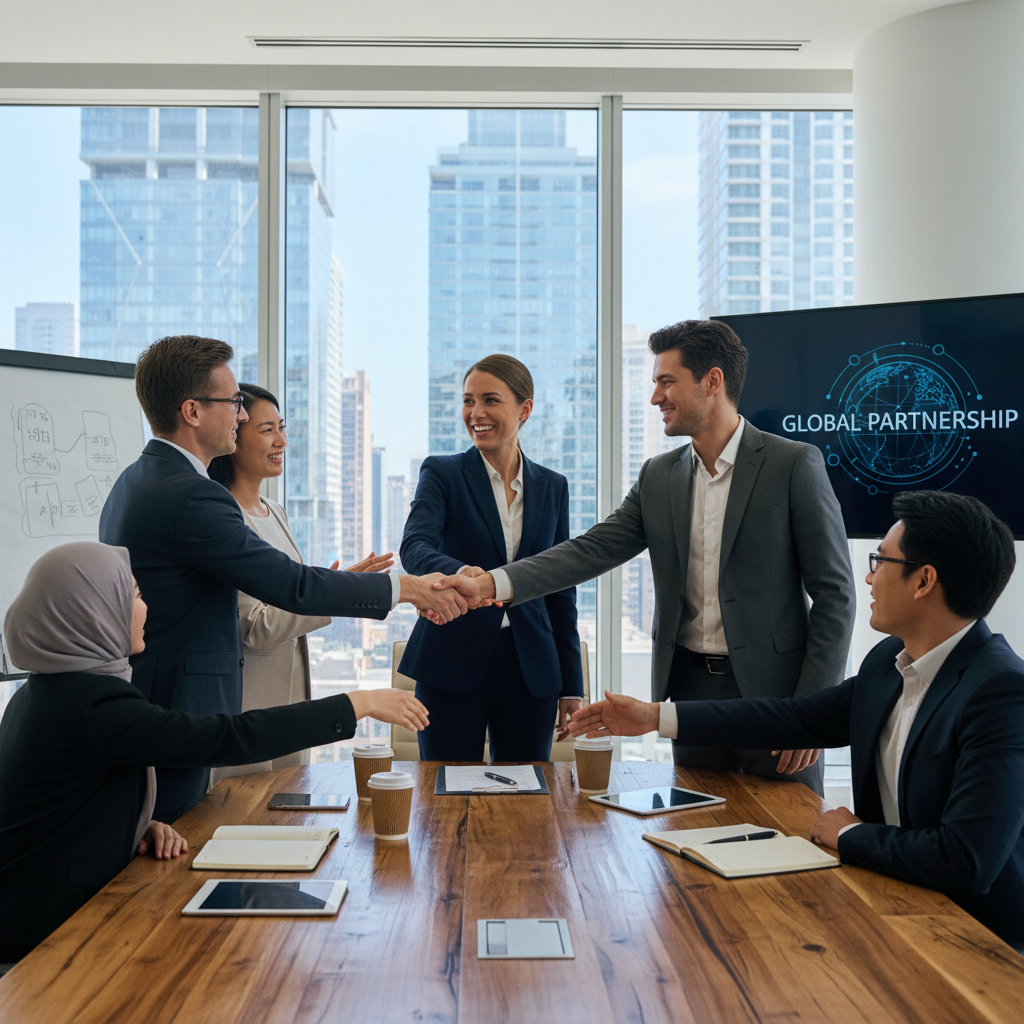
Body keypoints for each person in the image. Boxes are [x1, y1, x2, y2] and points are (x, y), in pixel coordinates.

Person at [569, 491, 1024, 950]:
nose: (868, 577)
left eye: (879, 561)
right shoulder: (889, 663)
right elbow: (792, 718)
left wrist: (851, 834)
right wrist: (653, 716)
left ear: (924, 580)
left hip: (975, 940)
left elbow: (967, 861)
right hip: (888, 901)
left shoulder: (1001, 692)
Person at [436, 319, 856, 793]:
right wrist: (492, 584)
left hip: (778, 698)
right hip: (690, 698)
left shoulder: (793, 463)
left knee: (788, 840)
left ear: (712, 382)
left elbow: (836, 595)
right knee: (697, 833)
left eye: (666, 382)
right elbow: (589, 550)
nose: (656, 397)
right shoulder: (659, 476)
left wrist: (813, 708)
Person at [0, 543, 429, 963]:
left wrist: (137, 824)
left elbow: (65, 802)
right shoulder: (89, 704)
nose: (147, 608)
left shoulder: (46, 693)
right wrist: (358, 703)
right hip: (45, 943)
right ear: (90, 613)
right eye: (132, 595)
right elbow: (224, 737)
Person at [99, 335, 466, 821]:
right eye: (233, 404)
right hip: (185, 714)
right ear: (192, 410)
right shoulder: (193, 496)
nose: (240, 415)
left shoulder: (136, 479)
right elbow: (291, 585)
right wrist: (406, 588)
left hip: (165, 709)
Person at [398, 355, 583, 761]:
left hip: (531, 667)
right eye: (468, 401)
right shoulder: (442, 473)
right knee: (444, 796)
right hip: (451, 660)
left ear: (525, 409)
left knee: (528, 799)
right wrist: (460, 571)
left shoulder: (553, 486)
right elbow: (414, 547)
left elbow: (562, 587)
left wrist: (572, 685)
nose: (476, 413)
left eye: (490, 401)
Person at [207, 384, 392, 782]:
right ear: (234, 434)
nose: (282, 441)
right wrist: (338, 593)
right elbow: (254, 628)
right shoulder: (224, 517)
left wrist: (339, 585)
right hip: (249, 703)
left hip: (292, 700)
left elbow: (293, 593)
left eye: (282, 428)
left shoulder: (274, 512)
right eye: (267, 430)